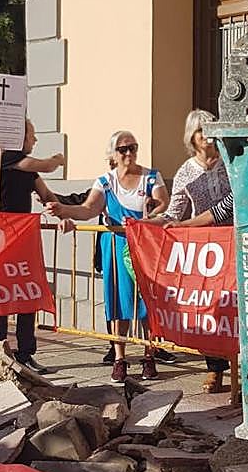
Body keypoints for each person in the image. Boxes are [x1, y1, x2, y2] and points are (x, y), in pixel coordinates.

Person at [47, 131, 168, 382]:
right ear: (113, 154)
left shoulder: (151, 177)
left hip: (144, 246)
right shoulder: (105, 181)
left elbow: (163, 203)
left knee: (146, 302)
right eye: (123, 149)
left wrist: (152, 209)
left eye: (132, 147)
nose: (128, 153)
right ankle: (119, 358)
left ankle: (149, 355)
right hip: (114, 245)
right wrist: (62, 210)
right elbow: (88, 208)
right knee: (117, 301)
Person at [157, 109, 234, 393]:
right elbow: (173, 212)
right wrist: (146, 224)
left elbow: (230, 205)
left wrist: (186, 223)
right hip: (206, 252)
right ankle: (215, 369)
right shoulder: (185, 172)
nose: (207, 136)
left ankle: (242, 368)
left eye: (211, 129)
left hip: (234, 242)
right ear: (192, 136)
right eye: (202, 131)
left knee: (236, 308)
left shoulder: (231, 163)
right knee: (209, 309)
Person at [0, 119, 64, 373]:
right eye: (32, 135)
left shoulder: (28, 170)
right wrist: (58, 159)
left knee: (27, 294)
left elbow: (47, 195)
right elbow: (47, 165)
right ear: (19, 136)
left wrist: (64, 209)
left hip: (23, 241)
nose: (35, 140)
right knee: (0, 297)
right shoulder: (4, 157)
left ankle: (25, 353)